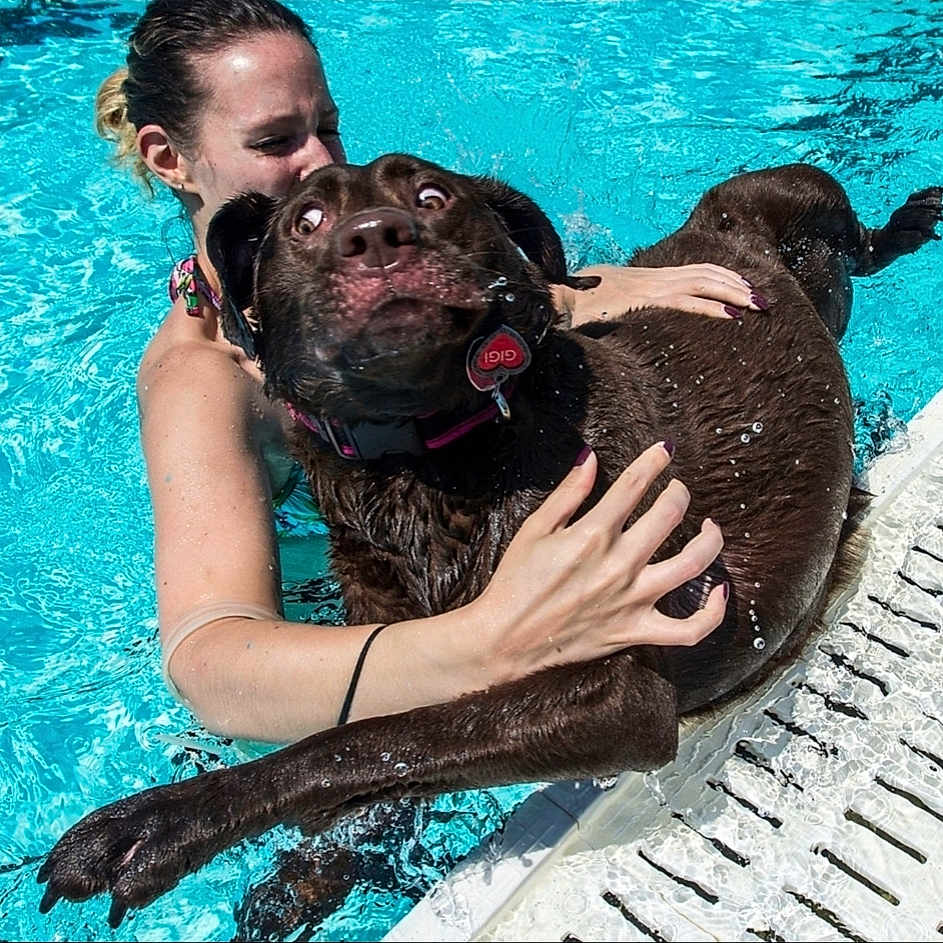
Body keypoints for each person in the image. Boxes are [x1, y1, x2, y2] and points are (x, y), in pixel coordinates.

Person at [95, 0, 759, 745]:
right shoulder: (205, 376)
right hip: (327, 573)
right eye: (276, 140)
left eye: (328, 126)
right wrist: (491, 636)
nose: (323, 164)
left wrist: (583, 291)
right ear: (167, 157)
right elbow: (212, 660)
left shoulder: (370, 242)